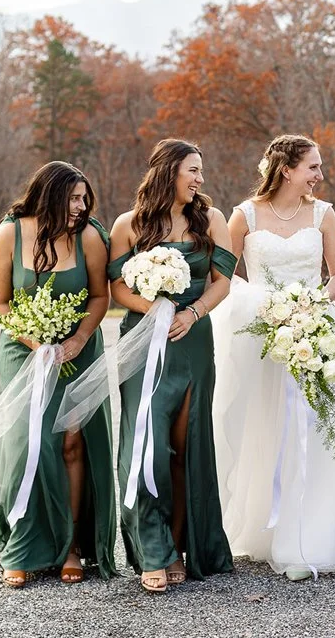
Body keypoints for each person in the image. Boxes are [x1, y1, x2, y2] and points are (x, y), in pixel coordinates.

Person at [211, 134, 335, 581]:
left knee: (314, 429)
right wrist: (264, 305)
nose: (319, 174)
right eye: (313, 166)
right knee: (260, 424)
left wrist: (309, 304)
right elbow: (224, 275)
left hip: (313, 332)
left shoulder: (323, 214)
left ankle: (307, 536)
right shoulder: (245, 215)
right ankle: (259, 529)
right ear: (287, 168)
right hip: (258, 337)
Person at [0, 161, 115, 587]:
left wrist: (76, 340)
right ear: (50, 195)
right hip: (23, 350)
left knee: (72, 443)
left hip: (78, 350)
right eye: (73, 198)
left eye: (83, 198)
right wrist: (36, 341)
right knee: (24, 442)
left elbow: (99, 296)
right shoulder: (11, 233)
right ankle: (21, 546)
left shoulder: (88, 235)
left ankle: (71, 545)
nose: (81, 206)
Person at [107, 139, 236, 593]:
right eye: (193, 171)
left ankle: (183, 545)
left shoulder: (212, 220)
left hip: (193, 340)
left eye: (201, 171)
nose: (200, 179)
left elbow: (223, 284)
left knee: (187, 443)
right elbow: (115, 288)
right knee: (148, 444)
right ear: (168, 173)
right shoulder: (128, 225)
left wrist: (191, 312)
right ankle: (153, 550)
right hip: (144, 343)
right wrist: (154, 310)